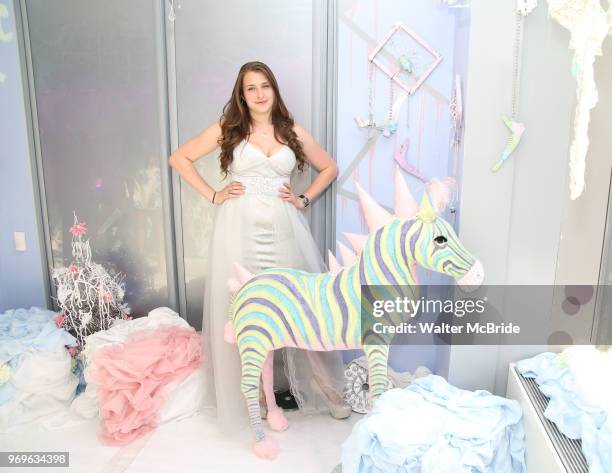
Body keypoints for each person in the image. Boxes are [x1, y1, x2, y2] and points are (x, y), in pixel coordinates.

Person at [168, 61, 351, 433]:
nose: (260, 94)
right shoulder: (229, 129)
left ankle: (329, 391)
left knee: (302, 309)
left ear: (274, 89)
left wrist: (304, 198)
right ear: (242, 94)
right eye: (251, 88)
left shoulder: (291, 130)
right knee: (248, 315)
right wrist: (214, 194)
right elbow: (179, 158)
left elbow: (329, 168)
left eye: (265, 85)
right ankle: (262, 401)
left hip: (285, 230)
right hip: (238, 231)